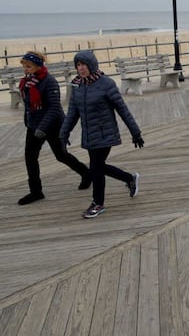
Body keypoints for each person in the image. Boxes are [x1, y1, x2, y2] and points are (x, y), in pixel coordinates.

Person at [60, 50, 144, 219]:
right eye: (78, 65)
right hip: (89, 136)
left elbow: (122, 109)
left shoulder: (106, 83)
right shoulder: (77, 85)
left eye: (83, 64)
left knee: (96, 167)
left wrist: (136, 133)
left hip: (105, 134)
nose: (81, 68)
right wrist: (64, 134)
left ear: (91, 65)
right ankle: (129, 178)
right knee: (98, 166)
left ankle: (98, 203)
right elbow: (72, 113)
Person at [17, 51, 90, 205]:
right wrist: (29, 122)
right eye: (24, 66)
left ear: (38, 66)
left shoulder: (49, 81)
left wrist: (42, 128)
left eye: (28, 66)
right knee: (30, 158)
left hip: (53, 125)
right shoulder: (27, 82)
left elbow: (54, 108)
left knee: (61, 155)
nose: (26, 69)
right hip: (34, 125)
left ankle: (86, 173)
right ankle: (36, 192)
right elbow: (29, 106)